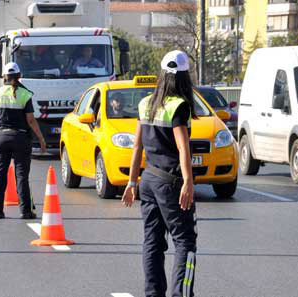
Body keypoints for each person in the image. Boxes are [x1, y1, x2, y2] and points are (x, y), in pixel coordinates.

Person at [121, 50, 197, 297]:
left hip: (149, 180)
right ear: (184, 78)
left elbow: (137, 145)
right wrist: (188, 182)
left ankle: (153, 294)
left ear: (162, 75)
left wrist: (132, 182)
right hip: (170, 182)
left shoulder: (146, 103)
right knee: (185, 241)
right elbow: (183, 148)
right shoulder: (179, 106)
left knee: (153, 242)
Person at [0, 62, 47, 220]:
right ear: (20, 76)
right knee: (21, 176)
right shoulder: (25, 94)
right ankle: (25, 211)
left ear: (4, 77)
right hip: (20, 138)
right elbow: (30, 120)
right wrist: (41, 139)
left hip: (1, 137)